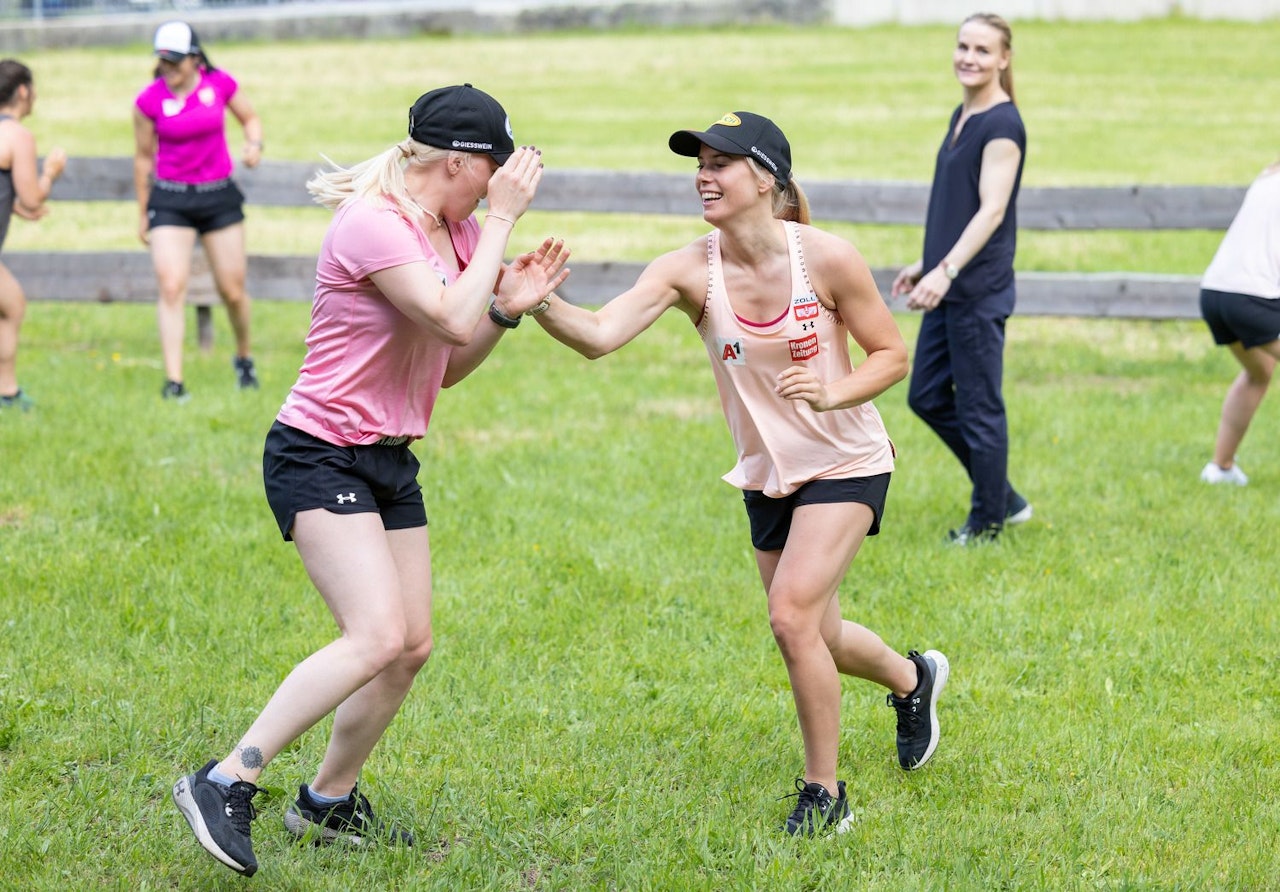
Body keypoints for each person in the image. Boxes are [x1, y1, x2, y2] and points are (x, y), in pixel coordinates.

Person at [170, 84, 568, 876]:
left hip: (388, 457)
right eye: (494, 167)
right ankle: (224, 778)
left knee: (409, 645)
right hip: (317, 451)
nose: (501, 182)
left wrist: (507, 310)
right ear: (457, 160)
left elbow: (448, 361)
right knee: (375, 634)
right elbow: (449, 316)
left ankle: (325, 801)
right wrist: (502, 225)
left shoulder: (451, 233)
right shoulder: (373, 223)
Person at [526, 110, 948, 836]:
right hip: (766, 473)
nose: (703, 175)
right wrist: (536, 301)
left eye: (720, 163)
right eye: (699, 162)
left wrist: (831, 391)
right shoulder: (688, 269)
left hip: (847, 460)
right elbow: (599, 335)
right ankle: (914, 680)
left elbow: (890, 355)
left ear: (766, 180)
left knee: (790, 618)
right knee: (821, 631)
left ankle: (825, 796)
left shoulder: (828, 258)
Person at [890, 12, 1031, 545]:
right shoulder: (963, 113)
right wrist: (929, 264)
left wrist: (947, 271)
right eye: (963, 46)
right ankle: (1004, 497)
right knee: (925, 395)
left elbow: (992, 211)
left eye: (982, 50)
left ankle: (987, 522)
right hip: (947, 284)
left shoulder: (1002, 124)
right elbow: (958, 206)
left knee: (979, 408)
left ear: (1003, 58)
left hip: (975, 291)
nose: (969, 57)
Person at [132, 20, 263, 401]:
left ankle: (243, 358)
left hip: (218, 196)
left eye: (176, 63)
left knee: (232, 290)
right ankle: (174, 382)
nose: (169, 71)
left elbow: (250, 118)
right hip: (170, 199)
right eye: (163, 63)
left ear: (194, 58)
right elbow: (143, 159)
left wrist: (254, 144)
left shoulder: (218, 84)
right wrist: (143, 212)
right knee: (172, 286)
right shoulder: (148, 101)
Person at [1198, 156, 1280, 486]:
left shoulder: (1269, 175)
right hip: (1253, 296)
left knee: (1259, 372)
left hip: (1216, 293)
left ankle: (1221, 468)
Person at [0, 59, 65, 412]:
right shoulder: (17, 135)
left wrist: (19, 208)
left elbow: (15, 201)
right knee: (11, 305)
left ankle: (7, 392)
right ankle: (6, 393)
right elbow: (32, 196)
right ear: (23, 91)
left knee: (11, 303)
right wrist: (50, 174)